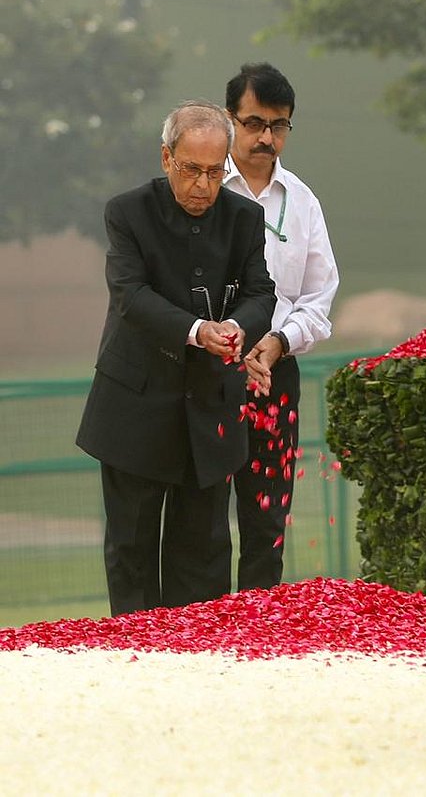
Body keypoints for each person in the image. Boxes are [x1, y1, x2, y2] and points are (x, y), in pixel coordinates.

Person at [76, 100, 277, 615]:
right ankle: (135, 654)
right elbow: (130, 295)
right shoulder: (127, 212)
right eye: (191, 170)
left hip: (210, 410)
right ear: (166, 157)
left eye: (215, 172)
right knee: (132, 554)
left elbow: (261, 293)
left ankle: (198, 657)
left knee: (204, 557)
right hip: (135, 406)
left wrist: (237, 327)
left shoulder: (245, 218)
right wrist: (196, 331)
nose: (202, 186)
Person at [223, 62, 340, 592]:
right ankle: (197, 628)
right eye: (253, 123)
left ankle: (258, 624)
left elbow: (318, 297)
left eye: (278, 125)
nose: (266, 138)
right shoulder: (204, 187)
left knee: (267, 523)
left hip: (275, 370)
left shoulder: (302, 200)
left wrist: (276, 342)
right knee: (201, 520)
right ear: (230, 119)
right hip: (207, 370)